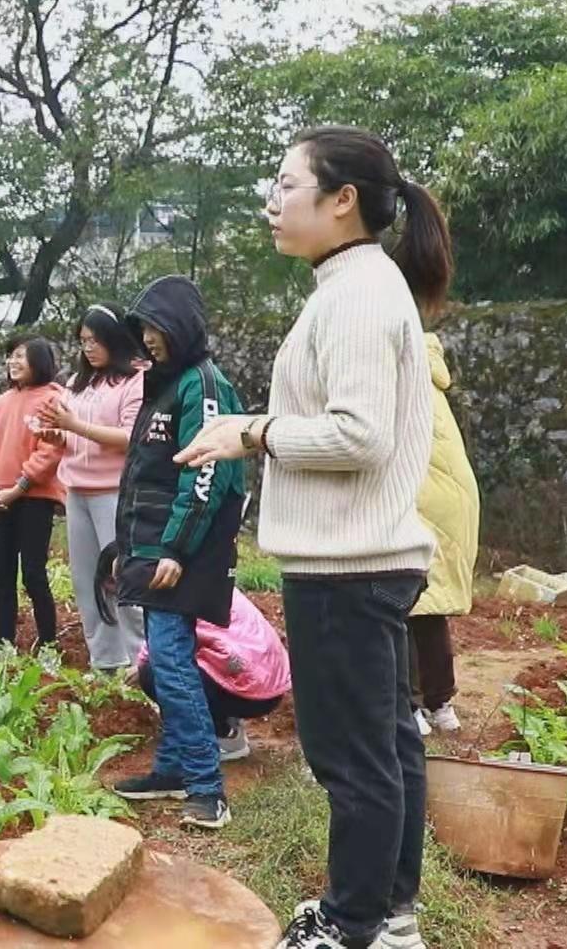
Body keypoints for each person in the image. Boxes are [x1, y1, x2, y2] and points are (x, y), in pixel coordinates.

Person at [176, 125, 454, 949]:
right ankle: (387, 915)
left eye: (287, 184)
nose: (272, 200)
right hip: (360, 561)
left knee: (353, 759)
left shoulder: (360, 296)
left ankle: (352, 922)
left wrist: (253, 432)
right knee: (387, 746)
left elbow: (359, 436)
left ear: (342, 201)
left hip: (349, 566)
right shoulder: (350, 285)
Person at [107, 276, 248, 833]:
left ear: (181, 327)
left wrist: (174, 550)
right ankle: (170, 769)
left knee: (171, 660)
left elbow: (206, 474)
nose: (148, 338)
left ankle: (208, 789)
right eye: (141, 329)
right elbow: (144, 473)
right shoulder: (162, 385)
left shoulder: (201, 385)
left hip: (183, 552)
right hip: (153, 546)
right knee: (163, 662)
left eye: (155, 327)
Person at [38, 305, 149, 668]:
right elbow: (72, 437)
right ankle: (105, 660)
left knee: (122, 578)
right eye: (83, 341)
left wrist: (74, 426)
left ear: (116, 340)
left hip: (114, 494)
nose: (88, 348)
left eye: (95, 340)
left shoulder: (137, 380)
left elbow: (132, 437)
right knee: (87, 581)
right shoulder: (78, 383)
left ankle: (141, 661)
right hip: (78, 493)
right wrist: (56, 434)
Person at [110, 547, 291, 761]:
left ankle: (222, 735)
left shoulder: (179, 591)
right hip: (267, 681)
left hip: (251, 686)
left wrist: (142, 665)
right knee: (175, 664)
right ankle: (225, 724)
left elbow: (171, 639)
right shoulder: (200, 577)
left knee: (156, 673)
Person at [0, 335, 66, 646]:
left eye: (20, 356)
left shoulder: (54, 399)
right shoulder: (1, 404)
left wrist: (20, 486)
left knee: (33, 573)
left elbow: (51, 450)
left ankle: (49, 642)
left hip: (35, 499)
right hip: (1, 498)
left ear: (39, 361)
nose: (12, 363)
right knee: (2, 574)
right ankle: (4, 642)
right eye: (11, 357)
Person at [411, 332, 478, 737]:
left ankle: (412, 705)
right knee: (429, 606)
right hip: (452, 497)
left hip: (423, 496)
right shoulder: (429, 371)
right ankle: (440, 702)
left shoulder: (397, 366)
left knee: (405, 605)